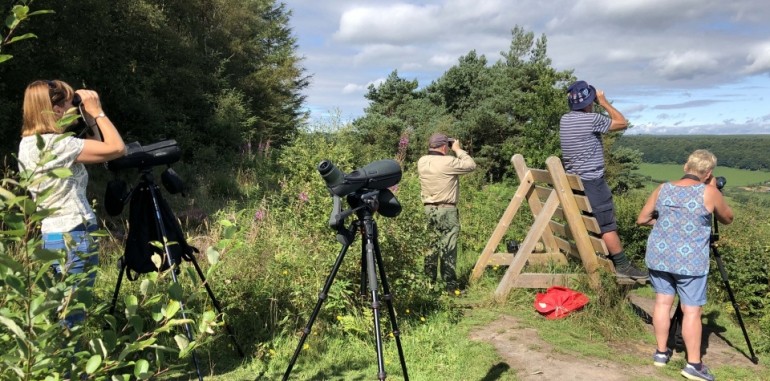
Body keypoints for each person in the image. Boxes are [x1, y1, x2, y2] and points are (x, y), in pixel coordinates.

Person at [18, 79, 126, 327]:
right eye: (70, 104)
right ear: (56, 110)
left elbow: (100, 149)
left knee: (65, 312)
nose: (74, 109)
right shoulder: (59, 145)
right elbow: (117, 148)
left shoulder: (31, 143)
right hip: (74, 236)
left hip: (54, 236)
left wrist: (88, 120)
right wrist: (97, 112)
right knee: (72, 317)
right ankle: (69, 353)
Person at [636, 149, 733, 381]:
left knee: (662, 302)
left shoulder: (663, 188)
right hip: (690, 262)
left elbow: (642, 219)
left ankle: (661, 353)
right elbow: (727, 218)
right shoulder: (709, 191)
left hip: (660, 255)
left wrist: (667, 223)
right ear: (708, 173)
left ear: (685, 167)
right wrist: (713, 189)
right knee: (692, 311)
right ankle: (693, 365)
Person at [559, 80, 647, 280]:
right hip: (593, 184)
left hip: (575, 183)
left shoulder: (565, 120)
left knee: (592, 223)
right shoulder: (591, 120)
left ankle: (603, 262)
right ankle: (622, 266)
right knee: (606, 225)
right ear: (589, 101)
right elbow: (622, 123)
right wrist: (604, 102)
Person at [417, 133, 476, 294]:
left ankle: (428, 285)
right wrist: (457, 149)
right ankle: (450, 286)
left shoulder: (422, 161)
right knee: (448, 247)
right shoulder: (448, 162)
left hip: (428, 209)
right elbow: (471, 165)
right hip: (447, 209)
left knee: (430, 247)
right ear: (444, 146)